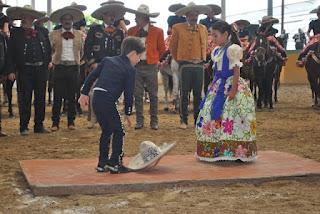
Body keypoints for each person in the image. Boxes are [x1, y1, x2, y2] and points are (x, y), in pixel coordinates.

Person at [78, 36, 145, 174]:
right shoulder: (130, 69)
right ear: (132, 54)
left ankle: (102, 163)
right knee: (119, 131)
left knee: (107, 130)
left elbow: (92, 76)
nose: (139, 60)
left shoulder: (107, 60)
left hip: (96, 97)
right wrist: (128, 112)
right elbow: (128, 92)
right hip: (107, 100)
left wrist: (84, 93)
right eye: (139, 56)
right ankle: (115, 163)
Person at [195, 20, 257, 162]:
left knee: (233, 115)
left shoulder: (232, 49)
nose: (213, 39)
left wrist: (233, 90)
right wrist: (213, 85)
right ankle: (216, 148)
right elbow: (216, 71)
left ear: (226, 34)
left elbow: (236, 71)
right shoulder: (217, 50)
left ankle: (234, 150)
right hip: (218, 86)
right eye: (212, 36)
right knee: (210, 113)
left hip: (230, 85)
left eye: (215, 36)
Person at [6, 5, 51, 135]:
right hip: (24, 69)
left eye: (27, 16)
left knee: (40, 98)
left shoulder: (42, 31)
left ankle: (39, 125)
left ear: (33, 18)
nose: (25, 19)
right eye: (23, 17)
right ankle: (24, 126)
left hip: (41, 69)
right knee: (24, 98)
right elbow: (10, 53)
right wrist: (11, 70)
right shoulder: (15, 32)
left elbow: (48, 49)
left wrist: (48, 62)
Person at [169, 2, 210, 129]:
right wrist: (181, 59)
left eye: (196, 14)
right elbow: (172, 47)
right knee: (184, 93)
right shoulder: (177, 28)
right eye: (192, 15)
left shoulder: (203, 28)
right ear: (186, 15)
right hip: (185, 65)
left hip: (199, 65)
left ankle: (197, 120)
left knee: (198, 94)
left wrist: (202, 59)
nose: (194, 17)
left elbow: (206, 46)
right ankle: (184, 120)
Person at [127, 4, 166, 130]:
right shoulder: (131, 31)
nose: (136, 18)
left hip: (150, 66)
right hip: (136, 66)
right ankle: (140, 121)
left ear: (144, 17)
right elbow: (127, 48)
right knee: (137, 94)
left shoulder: (158, 31)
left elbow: (162, 49)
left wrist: (154, 59)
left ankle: (154, 121)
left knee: (153, 95)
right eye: (136, 16)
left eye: (138, 16)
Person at [49, 6, 85, 131]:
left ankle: (71, 122)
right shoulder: (53, 34)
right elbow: (50, 50)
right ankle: (55, 123)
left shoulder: (80, 34)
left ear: (73, 21)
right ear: (61, 21)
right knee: (57, 96)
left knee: (72, 96)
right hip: (59, 67)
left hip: (74, 67)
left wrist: (78, 61)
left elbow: (83, 51)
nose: (67, 21)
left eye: (69, 19)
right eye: (65, 19)